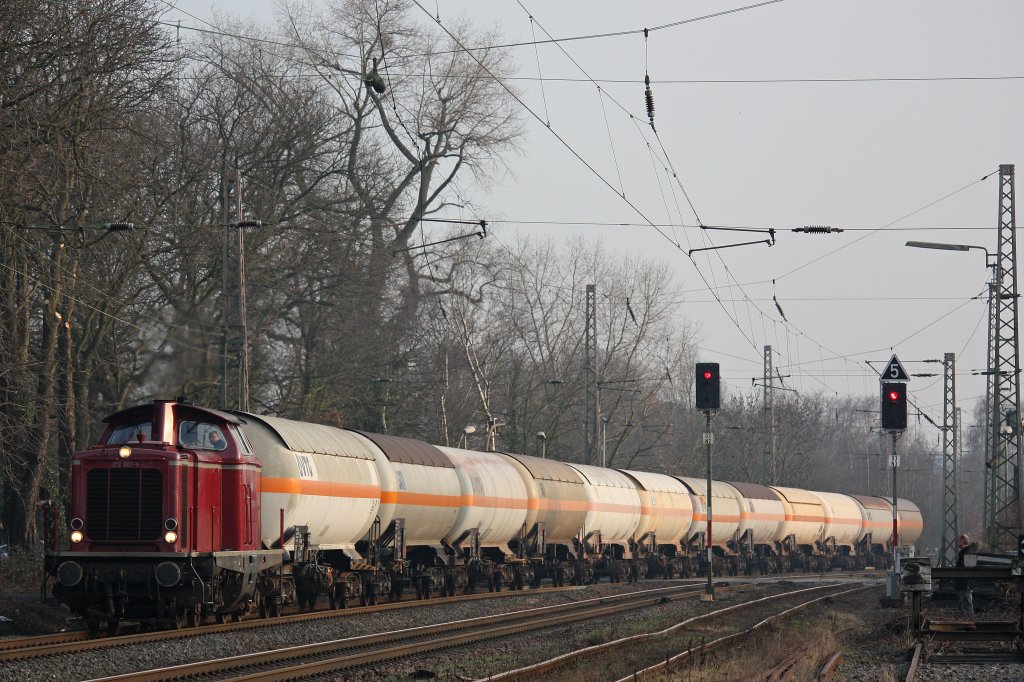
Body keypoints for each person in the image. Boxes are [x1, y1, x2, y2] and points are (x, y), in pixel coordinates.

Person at [955, 533, 974, 620]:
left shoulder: (967, 552)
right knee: (964, 603)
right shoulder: (967, 552)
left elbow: (969, 570)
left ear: (963, 540)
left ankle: (969, 623)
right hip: (965, 583)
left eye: (958, 540)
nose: (957, 542)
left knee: (966, 604)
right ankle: (965, 622)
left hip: (966, 584)